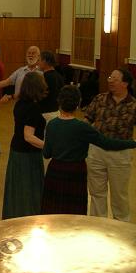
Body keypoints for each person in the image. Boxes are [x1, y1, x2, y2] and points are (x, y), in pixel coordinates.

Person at [42, 86, 136, 215]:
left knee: (54, 209)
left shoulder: (52, 124)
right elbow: (107, 143)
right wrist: (132, 143)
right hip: (76, 172)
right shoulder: (82, 128)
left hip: (55, 171)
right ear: (78, 103)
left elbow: (47, 154)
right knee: (73, 211)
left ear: (59, 102)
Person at [85, 68, 136, 221]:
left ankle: (121, 229)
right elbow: (87, 119)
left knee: (119, 196)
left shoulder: (133, 105)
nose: (110, 81)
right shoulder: (100, 99)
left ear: (125, 84)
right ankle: (97, 226)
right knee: (96, 194)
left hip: (120, 155)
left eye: (115, 79)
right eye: (109, 77)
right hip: (96, 152)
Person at [1, 72, 47, 219]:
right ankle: (27, 221)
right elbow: (29, 136)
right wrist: (49, 146)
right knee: (28, 192)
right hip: (28, 155)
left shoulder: (20, 104)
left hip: (17, 151)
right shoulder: (33, 108)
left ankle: (14, 220)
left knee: (17, 191)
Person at [38, 50, 64, 122]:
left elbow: (40, 96)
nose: (38, 62)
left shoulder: (45, 78)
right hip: (56, 112)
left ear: (45, 61)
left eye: (39, 60)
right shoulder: (59, 76)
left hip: (45, 114)